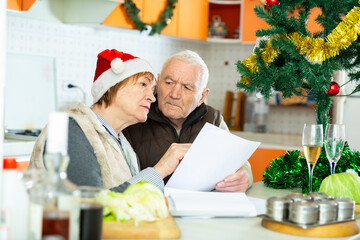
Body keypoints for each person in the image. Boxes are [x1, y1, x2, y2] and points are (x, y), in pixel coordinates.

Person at [29, 49, 190, 192]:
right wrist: (160, 170)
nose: (151, 97)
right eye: (143, 84)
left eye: (152, 89)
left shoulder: (120, 142)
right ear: (112, 86)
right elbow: (91, 204)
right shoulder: (71, 129)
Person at [123, 50, 253, 192]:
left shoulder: (213, 118)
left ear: (202, 96)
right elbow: (118, 188)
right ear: (158, 82)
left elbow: (237, 161)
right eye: (169, 82)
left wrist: (245, 177)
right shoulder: (135, 117)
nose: (174, 94)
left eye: (187, 87)